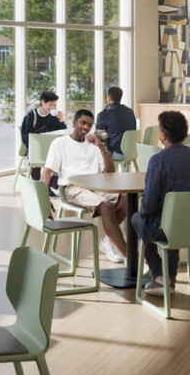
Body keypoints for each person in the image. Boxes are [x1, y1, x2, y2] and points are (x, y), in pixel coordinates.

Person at [133, 110, 190, 296]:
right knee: (171, 220)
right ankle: (167, 276)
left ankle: (160, 275)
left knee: (138, 219)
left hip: (173, 228)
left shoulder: (157, 161)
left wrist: (144, 213)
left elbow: (149, 204)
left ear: (162, 136)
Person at [41, 108, 128, 264]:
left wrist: (102, 148)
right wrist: (43, 197)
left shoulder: (94, 145)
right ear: (74, 122)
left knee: (127, 199)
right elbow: (47, 171)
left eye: (89, 125)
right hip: (72, 188)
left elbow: (110, 172)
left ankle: (107, 239)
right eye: (82, 123)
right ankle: (131, 258)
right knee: (106, 206)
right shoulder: (60, 143)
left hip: (95, 187)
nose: (86, 127)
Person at [19, 91, 65, 182]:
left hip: (49, 146)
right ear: (43, 102)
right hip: (33, 147)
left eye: (54, 105)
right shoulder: (31, 115)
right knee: (38, 156)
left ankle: (50, 184)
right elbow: (26, 135)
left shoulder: (53, 116)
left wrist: (60, 120)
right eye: (50, 105)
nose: (52, 108)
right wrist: (43, 129)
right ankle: (37, 184)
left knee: (63, 155)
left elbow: (61, 132)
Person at [94, 86, 138, 162]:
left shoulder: (104, 114)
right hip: (132, 152)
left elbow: (99, 137)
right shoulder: (130, 112)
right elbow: (133, 128)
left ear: (109, 98)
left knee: (93, 146)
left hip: (116, 153)